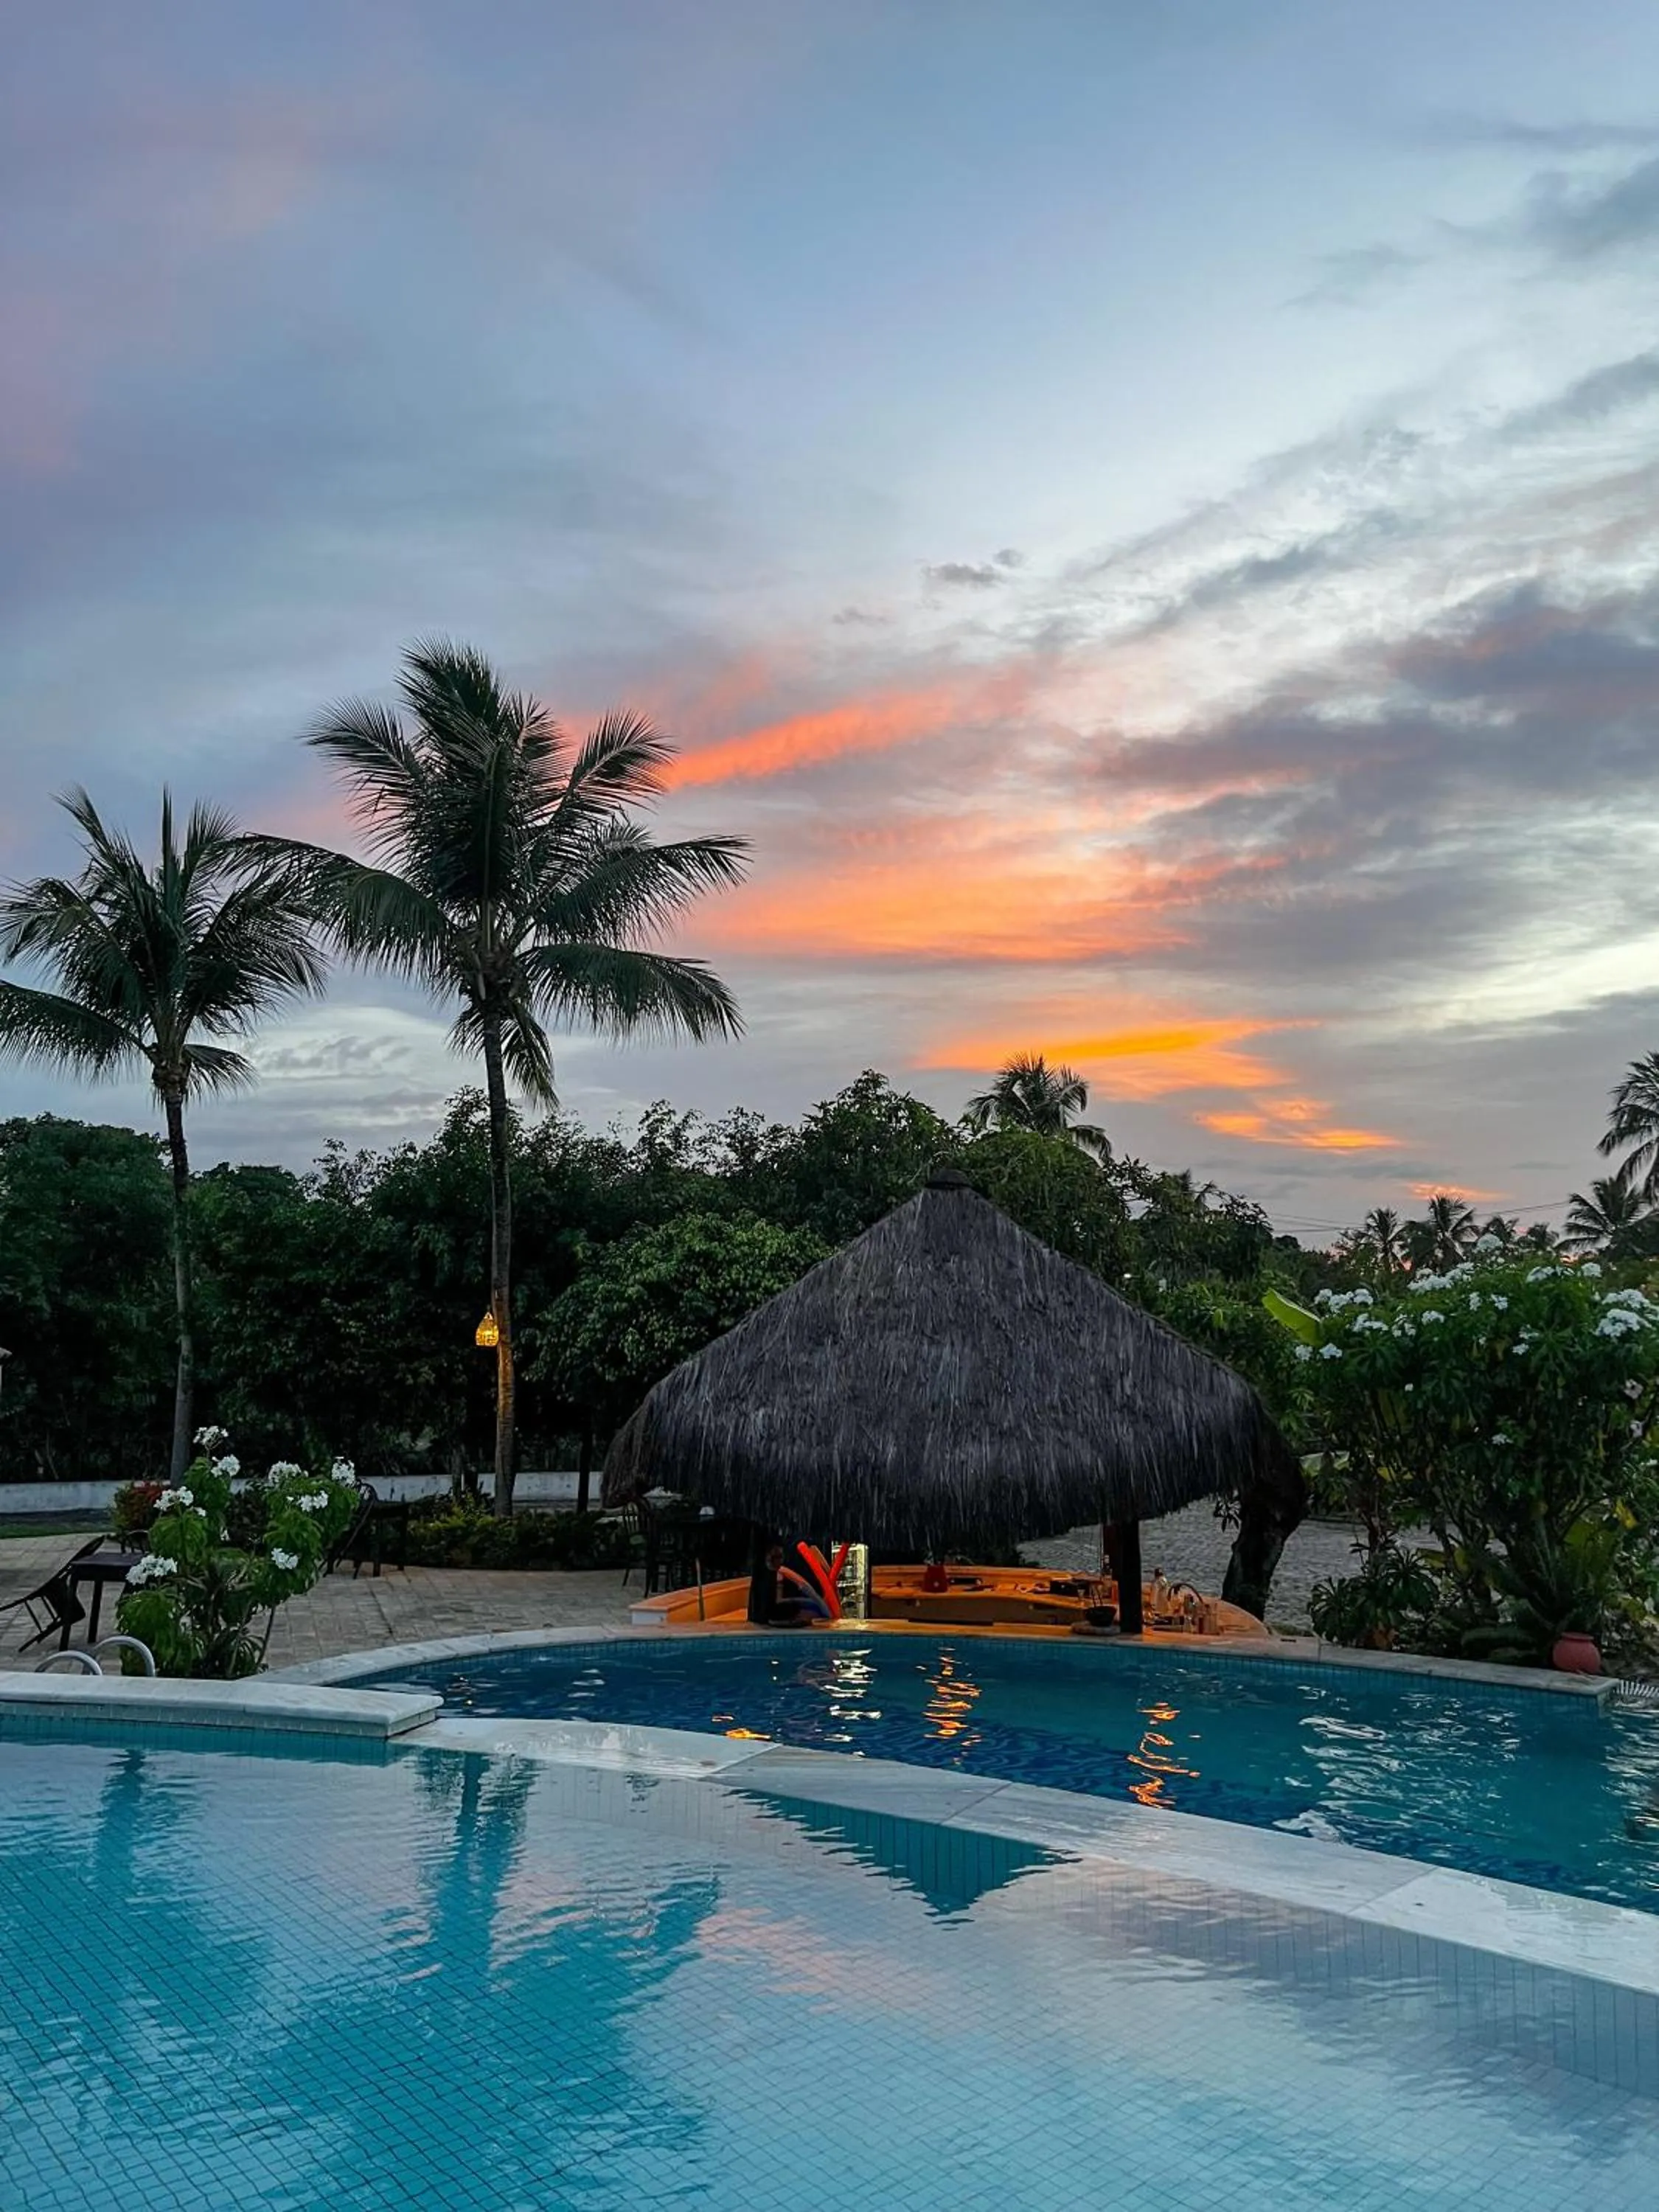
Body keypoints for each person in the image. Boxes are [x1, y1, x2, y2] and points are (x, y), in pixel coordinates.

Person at [747, 1540, 824, 1627]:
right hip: (767, 1615)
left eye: (780, 1558)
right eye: (777, 1558)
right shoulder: (764, 1576)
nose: (780, 1562)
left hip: (769, 1612)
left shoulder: (769, 1574)